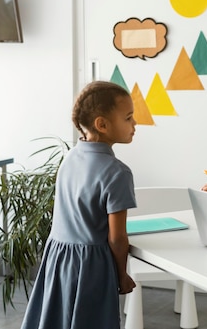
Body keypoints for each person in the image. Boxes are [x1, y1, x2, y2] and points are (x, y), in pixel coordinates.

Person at [21, 81, 137, 329]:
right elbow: (117, 238)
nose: (135, 124)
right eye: (128, 118)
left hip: (58, 257)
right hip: (91, 265)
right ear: (102, 124)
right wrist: (122, 274)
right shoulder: (118, 173)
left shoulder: (70, 157)